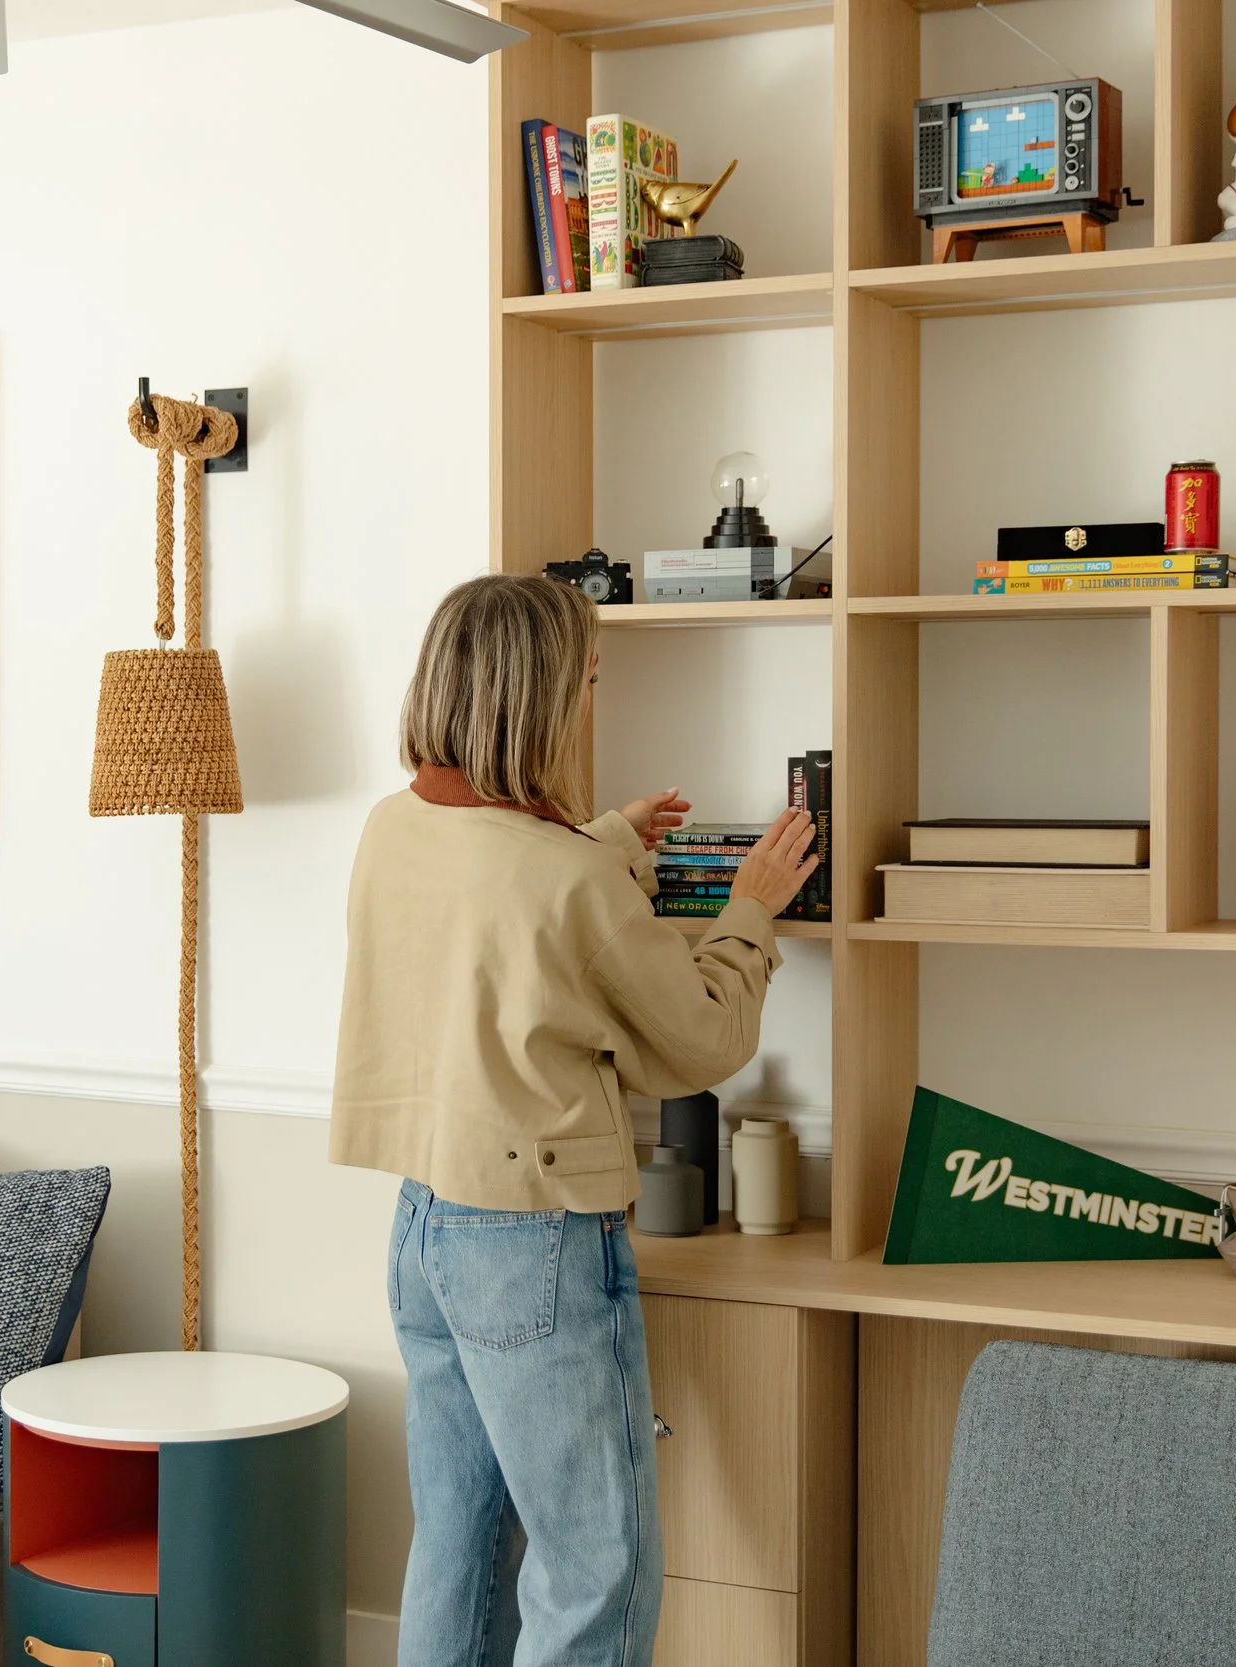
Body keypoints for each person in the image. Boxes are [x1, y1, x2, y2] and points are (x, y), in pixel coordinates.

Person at [331, 573, 820, 1667]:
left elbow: (498, 917)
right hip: (535, 1240)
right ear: (537, 693)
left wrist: (602, 840)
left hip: (425, 1224)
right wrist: (749, 906)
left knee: (457, 1543)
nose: (593, 697)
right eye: (588, 677)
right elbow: (696, 1038)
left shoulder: (392, 828)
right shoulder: (562, 880)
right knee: (594, 1564)